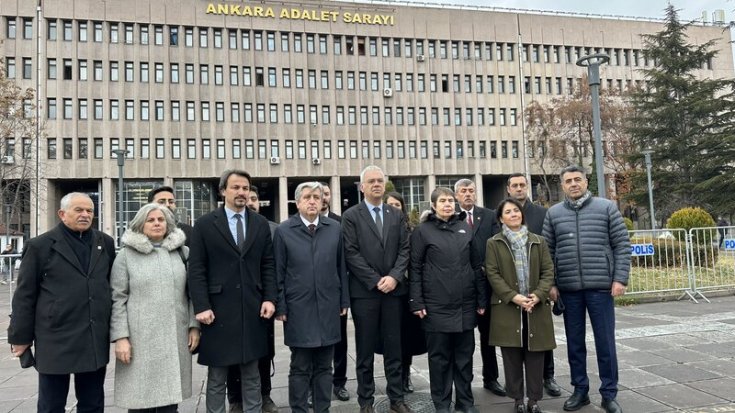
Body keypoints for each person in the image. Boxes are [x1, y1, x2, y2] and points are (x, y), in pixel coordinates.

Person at [8, 192, 116, 412]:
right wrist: (20, 337)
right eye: (79, 210)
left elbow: (110, 284)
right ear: (62, 214)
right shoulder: (40, 246)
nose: (85, 215)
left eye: (90, 211)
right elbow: (24, 295)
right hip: (55, 336)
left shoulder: (104, 242)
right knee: (52, 403)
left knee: (93, 402)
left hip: (92, 335)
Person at [188, 169, 278, 413]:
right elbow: (196, 269)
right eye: (236, 187)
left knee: (251, 372)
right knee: (217, 375)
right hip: (218, 311)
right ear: (223, 191)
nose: (241, 192)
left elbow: (268, 264)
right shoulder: (206, 225)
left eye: (245, 188)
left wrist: (270, 298)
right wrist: (202, 306)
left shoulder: (260, 223)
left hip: (252, 308)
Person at [543, 166, 630, 413]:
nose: (573, 184)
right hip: (569, 290)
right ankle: (580, 390)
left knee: (605, 343)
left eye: (577, 179)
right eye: (568, 181)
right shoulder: (554, 213)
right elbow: (547, 252)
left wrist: (620, 279)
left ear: (585, 181)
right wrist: (550, 283)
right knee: (574, 344)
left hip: (601, 288)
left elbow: (622, 245)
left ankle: (609, 393)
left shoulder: (606, 208)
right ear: (562, 185)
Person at [110, 203, 201, 412]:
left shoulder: (182, 252)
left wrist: (194, 325)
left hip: (174, 335)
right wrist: (120, 337)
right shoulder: (126, 256)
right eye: (151, 220)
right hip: (140, 339)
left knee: (169, 399)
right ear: (141, 225)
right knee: (140, 397)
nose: (157, 223)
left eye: (161, 220)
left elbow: (192, 293)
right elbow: (117, 298)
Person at [342, 165, 414, 413]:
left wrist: (394, 277)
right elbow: (351, 253)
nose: (376, 184)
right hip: (365, 294)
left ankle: (396, 399)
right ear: (362, 187)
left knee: (395, 348)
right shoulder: (351, 216)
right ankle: (366, 401)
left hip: (394, 293)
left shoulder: (396, 214)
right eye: (371, 181)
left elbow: (406, 249)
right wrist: (375, 280)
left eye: (380, 181)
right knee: (365, 350)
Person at [273, 182, 349, 413]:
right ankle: (299, 409)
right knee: (300, 367)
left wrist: (343, 300)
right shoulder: (284, 231)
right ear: (298, 203)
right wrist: (281, 305)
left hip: (328, 306)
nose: (313, 200)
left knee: (325, 367)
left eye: (317, 196)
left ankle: (322, 409)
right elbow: (279, 271)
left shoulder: (334, 228)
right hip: (299, 309)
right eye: (307, 197)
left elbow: (341, 266)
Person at [409, 187, 486, 413]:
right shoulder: (423, 231)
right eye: (442, 201)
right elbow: (414, 268)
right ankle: (442, 404)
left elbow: (476, 265)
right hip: (435, 307)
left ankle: (465, 403)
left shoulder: (465, 227)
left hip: (465, 306)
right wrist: (417, 301)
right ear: (433, 205)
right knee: (439, 361)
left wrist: (481, 299)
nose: (447, 204)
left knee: (464, 360)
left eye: (450, 201)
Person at [486, 198, 556, 413]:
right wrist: (513, 296)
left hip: (535, 306)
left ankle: (534, 400)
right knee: (512, 356)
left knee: (536, 356)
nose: (513, 214)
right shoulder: (494, 243)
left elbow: (547, 271)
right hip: (508, 307)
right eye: (508, 212)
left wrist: (538, 294)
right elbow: (493, 274)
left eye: (516, 210)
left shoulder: (538, 241)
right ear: (501, 218)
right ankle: (517, 400)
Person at [506, 173, 562, 398]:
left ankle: (548, 376)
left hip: (539, 286)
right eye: (515, 185)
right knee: (516, 337)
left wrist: (550, 284)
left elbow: (551, 248)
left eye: (522, 185)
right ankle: (519, 384)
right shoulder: (502, 213)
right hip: (513, 286)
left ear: (527, 187)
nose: (519, 189)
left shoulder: (542, 213)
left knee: (542, 334)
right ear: (508, 189)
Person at [227, 185, 279, 413]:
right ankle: (236, 399)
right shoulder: (227, 225)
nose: (250, 201)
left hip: (262, 300)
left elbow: (274, 265)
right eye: (247, 197)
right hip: (233, 301)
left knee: (265, 351)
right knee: (231, 352)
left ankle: (265, 395)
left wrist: (273, 298)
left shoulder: (272, 229)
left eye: (254, 198)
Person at [453, 178, 505, 397]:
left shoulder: (490, 215)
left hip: (487, 285)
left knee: (488, 337)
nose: (467, 194)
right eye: (463, 191)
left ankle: (490, 378)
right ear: (456, 195)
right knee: (462, 340)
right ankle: (462, 382)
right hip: (460, 287)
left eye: (471, 190)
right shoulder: (450, 217)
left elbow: (497, 242)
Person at [385, 191, 426, 394]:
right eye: (389, 204)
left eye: (397, 205)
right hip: (389, 291)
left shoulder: (413, 232)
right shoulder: (382, 231)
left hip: (409, 292)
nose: (393, 208)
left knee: (408, 339)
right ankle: (393, 377)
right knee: (391, 338)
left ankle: (406, 375)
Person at [319, 181, 351, 402]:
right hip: (311, 295)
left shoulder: (341, 223)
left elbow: (345, 259)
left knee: (340, 341)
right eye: (317, 194)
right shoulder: (299, 223)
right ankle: (317, 383)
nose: (321, 197)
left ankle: (339, 382)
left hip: (336, 291)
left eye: (326, 193)